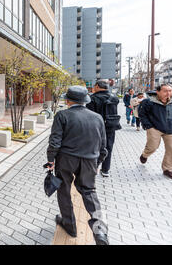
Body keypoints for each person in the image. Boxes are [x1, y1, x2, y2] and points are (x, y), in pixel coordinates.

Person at [46, 85, 109, 245]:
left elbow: (55, 141)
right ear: (85, 101)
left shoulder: (62, 115)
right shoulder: (97, 117)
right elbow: (103, 146)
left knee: (64, 190)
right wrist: (98, 162)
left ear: (68, 100)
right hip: (89, 160)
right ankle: (100, 230)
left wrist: (51, 160)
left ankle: (70, 225)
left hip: (66, 159)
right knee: (89, 192)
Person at [139, 84, 172, 180]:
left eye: (170, 91)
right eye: (165, 91)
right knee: (153, 146)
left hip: (171, 129)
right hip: (154, 127)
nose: (168, 93)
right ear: (158, 92)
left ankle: (167, 169)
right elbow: (142, 114)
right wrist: (148, 126)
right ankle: (145, 155)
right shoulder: (148, 102)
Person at [86, 79, 121, 177]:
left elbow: (89, 115)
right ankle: (105, 170)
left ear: (97, 86)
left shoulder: (92, 98)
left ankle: (93, 168)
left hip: (95, 127)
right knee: (108, 147)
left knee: (93, 147)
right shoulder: (114, 98)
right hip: (110, 126)